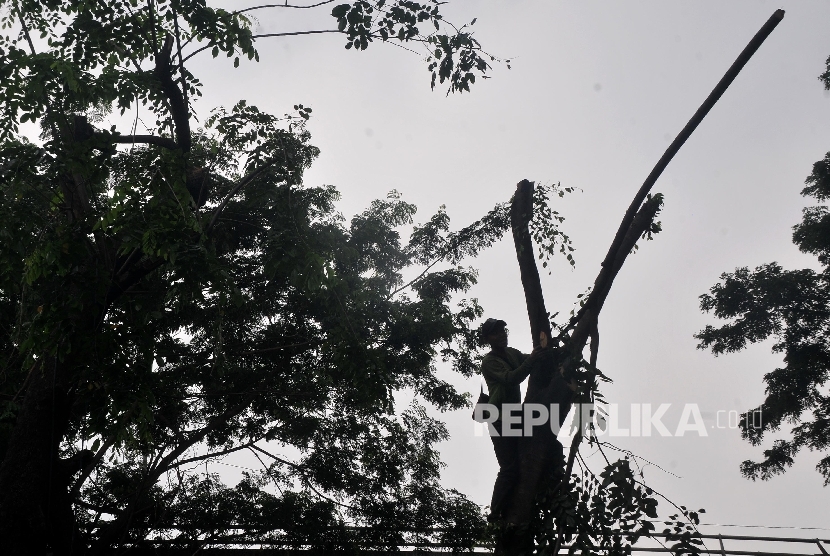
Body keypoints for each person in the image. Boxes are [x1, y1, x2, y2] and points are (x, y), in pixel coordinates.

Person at [479, 318, 545, 522]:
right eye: (496, 332)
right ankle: (496, 511)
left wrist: (551, 352)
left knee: (529, 454)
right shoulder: (489, 361)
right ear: (488, 339)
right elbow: (511, 378)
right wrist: (533, 359)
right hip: (499, 417)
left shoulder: (512, 353)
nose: (502, 334)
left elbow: (529, 360)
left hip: (514, 415)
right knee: (509, 467)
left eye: (503, 330)